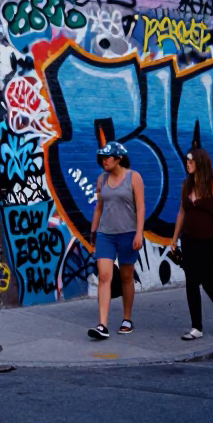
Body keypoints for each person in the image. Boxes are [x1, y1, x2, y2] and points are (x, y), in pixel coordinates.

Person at [168, 148, 213, 340]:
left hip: (210, 241)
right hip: (189, 240)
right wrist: (174, 239)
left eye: (191, 161)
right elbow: (181, 213)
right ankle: (196, 327)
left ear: (201, 162)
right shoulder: (186, 185)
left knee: (207, 282)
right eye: (186, 161)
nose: (187, 164)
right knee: (191, 283)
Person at [87, 141, 146, 340]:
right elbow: (99, 207)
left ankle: (127, 318)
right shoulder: (101, 179)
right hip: (105, 234)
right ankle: (102, 325)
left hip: (128, 234)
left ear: (119, 158)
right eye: (102, 157)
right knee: (104, 276)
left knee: (126, 277)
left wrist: (139, 233)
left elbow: (141, 208)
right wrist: (93, 232)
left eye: (108, 157)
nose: (104, 161)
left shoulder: (133, 177)